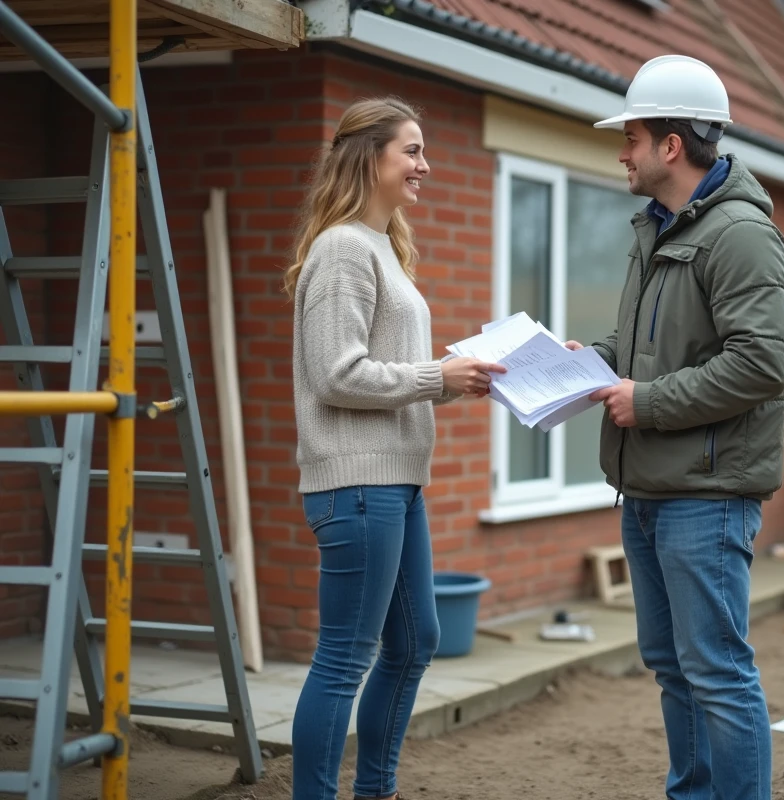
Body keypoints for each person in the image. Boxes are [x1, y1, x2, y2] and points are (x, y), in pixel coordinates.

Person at [565, 55, 784, 800]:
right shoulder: (656, 230)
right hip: (650, 492)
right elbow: (650, 353)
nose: (621, 150)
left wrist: (649, 400)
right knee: (673, 667)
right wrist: (588, 364)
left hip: (707, 495)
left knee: (718, 673)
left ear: (671, 145)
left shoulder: (740, 236)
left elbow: (762, 365)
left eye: (630, 135)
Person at [283, 96, 504, 800]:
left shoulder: (382, 246)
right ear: (367, 156)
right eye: (410, 150)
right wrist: (438, 377)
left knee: (414, 644)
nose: (425, 165)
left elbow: (381, 367)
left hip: (396, 484)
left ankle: (374, 791)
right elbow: (335, 373)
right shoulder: (343, 247)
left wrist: (454, 376)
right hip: (356, 486)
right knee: (345, 657)